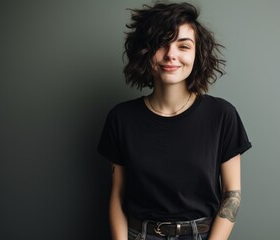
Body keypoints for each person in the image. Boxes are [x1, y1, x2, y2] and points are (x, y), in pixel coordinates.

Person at [98, 2, 252, 240]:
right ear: (145, 51)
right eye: (161, 44)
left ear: (196, 54)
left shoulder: (222, 115)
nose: (171, 54)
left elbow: (232, 194)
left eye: (183, 46)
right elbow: (117, 195)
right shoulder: (121, 118)